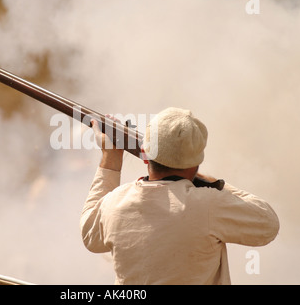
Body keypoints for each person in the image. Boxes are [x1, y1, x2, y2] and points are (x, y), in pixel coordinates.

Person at [80, 107, 279, 285]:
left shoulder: (116, 202)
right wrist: (210, 182)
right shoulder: (208, 203)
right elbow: (267, 223)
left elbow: (90, 235)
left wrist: (111, 157)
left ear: (144, 152)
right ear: (196, 162)